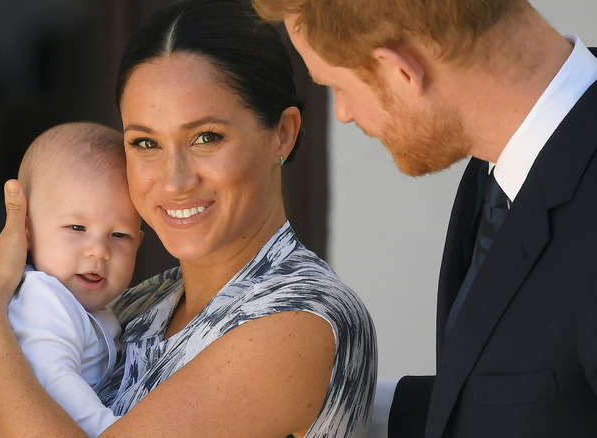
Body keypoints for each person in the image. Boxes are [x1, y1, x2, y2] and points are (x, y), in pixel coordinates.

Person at [0, 0, 377, 437]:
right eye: (145, 143)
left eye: (206, 137)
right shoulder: (137, 305)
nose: (175, 180)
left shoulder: (301, 319)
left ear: (283, 134)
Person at [252, 0, 597, 437]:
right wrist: (321, 399)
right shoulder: (503, 163)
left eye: (337, 86)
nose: (344, 112)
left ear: (401, 71)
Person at [0, 121, 144, 438]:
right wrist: (111, 430)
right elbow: (53, 381)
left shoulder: (88, 306)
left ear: (139, 242)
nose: (99, 250)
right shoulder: (44, 299)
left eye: (119, 235)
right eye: (76, 228)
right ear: (26, 232)